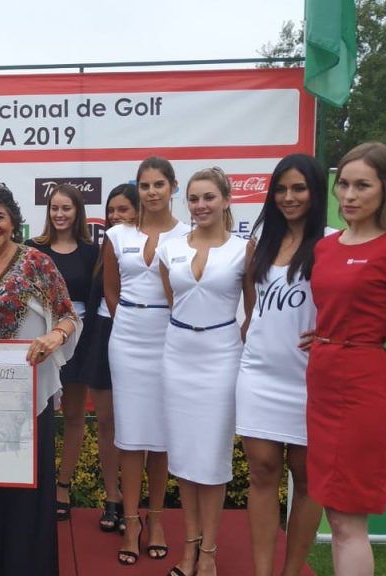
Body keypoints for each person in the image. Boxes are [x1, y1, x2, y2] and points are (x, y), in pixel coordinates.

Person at [308, 142, 386, 576]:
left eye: (362, 185)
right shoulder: (326, 246)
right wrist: (324, 336)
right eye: (343, 184)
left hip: (364, 386)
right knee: (334, 511)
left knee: (347, 519)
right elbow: (336, 305)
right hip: (322, 381)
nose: (349, 195)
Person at [0, 183, 80, 576]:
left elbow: (68, 316)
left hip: (27, 393)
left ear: (13, 220)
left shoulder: (35, 263)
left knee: (26, 488)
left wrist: (53, 337)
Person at [236, 155, 328, 576]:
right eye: (281, 189)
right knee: (262, 472)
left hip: (311, 379)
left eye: (298, 189)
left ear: (315, 192)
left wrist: (332, 336)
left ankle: (292, 570)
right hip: (258, 373)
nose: (288, 198)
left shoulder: (331, 242)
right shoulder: (260, 240)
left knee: (307, 480)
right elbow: (253, 309)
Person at [158, 168, 251, 576]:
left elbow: (253, 312)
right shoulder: (169, 250)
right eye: (194, 198)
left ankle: (209, 552)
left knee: (212, 459)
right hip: (177, 355)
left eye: (209, 197)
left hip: (221, 357)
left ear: (227, 200)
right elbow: (173, 302)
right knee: (183, 456)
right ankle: (189, 546)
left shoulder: (244, 250)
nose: (200, 206)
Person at [103, 157, 189, 565]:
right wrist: (131, 321)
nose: (152, 191)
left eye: (159, 184)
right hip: (128, 339)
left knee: (163, 437)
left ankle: (156, 519)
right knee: (131, 434)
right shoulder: (117, 235)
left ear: (173, 187)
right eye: (144, 185)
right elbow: (110, 290)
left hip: (172, 338)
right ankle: (131, 520)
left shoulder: (192, 235)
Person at [25, 184, 99, 522]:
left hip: (77, 342)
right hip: (36, 342)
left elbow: (97, 301)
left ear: (78, 211)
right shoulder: (32, 248)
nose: (59, 214)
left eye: (66, 208)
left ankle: (63, 487)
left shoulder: (90, 251)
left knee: (72, 416)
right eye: (54, 207)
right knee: (35, 417)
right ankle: (31, 483)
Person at [80, 184, 139, 533]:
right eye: (111, 210)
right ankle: (112, 496)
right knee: (106, 423)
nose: (116, 216)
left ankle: (134, 503)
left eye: (124, 209)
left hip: (140, 339)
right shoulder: (104, 248)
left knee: (138, 427)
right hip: (103, 335)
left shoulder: (152, 245)